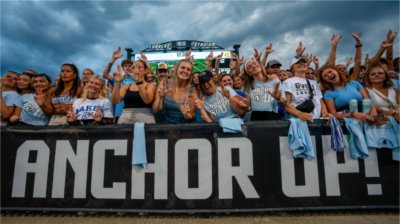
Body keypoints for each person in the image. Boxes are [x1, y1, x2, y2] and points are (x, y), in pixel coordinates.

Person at [282, 56, 329, 122]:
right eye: (298, 63)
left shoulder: (314, 83)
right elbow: (286, 104)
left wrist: (325, 114)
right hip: (299, 120)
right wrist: (300, 114)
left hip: (316, 120)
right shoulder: (288, 82)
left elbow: (320, 101)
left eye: (303, 62)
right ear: (292, 68)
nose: (302, 64)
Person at [111, 59, 157, 124]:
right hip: (125, 118)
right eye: (133, 67)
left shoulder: (151, 86)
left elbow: (147, 100)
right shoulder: (126, 86)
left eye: (139, 67)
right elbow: (115, 101)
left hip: (145, 118)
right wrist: (118, 82)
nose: (136, 69)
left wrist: (139, 82)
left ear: (145, 71)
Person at [153, 59, 196, 124]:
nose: (185, 71)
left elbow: (191, 116)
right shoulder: (165, 83)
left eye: (188, 69)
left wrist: (186, 114)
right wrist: (160, 98)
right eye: (182, 67)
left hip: (184, 126)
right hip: (166, 125)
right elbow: (155, 110)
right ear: (177, 69)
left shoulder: (192, 89)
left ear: (190, 73)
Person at [244, 49, 282, 121]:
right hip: (255, 117)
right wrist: (244, 105)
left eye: (255, 63)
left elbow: (285, 102)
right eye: (250, 67)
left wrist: (278, 98)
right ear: (249, 73)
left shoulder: (274, 80)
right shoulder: (249, 85)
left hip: (272, 116)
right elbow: (247, 106)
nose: (254, 66)